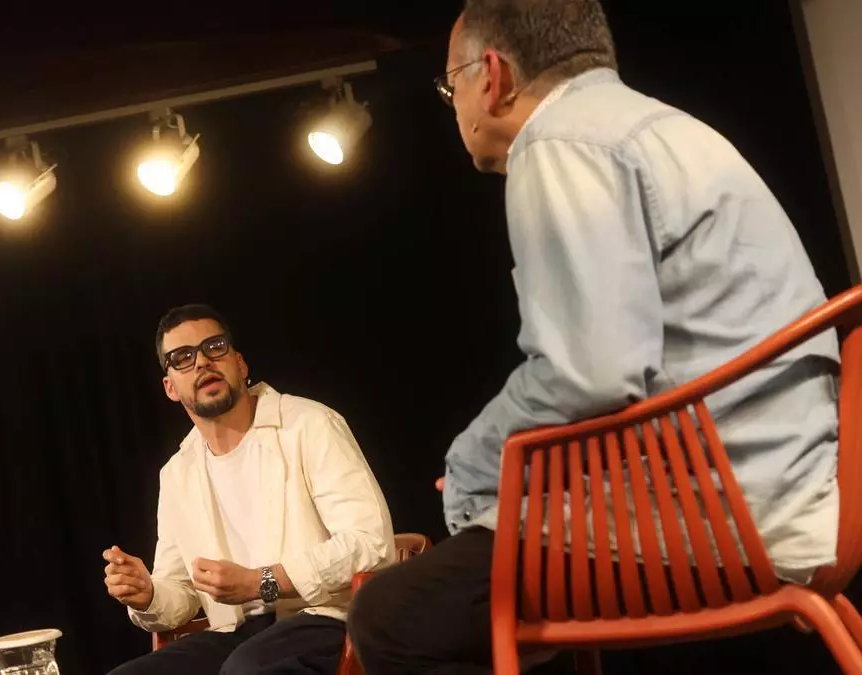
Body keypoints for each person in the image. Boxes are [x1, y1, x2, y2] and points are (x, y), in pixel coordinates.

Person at [347, 0, 841, 673]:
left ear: (493, 76)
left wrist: (471, 463)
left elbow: (592, 374)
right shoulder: (665, 128)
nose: (453, 106)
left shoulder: (560, 142)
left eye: (449, 84)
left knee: (392, 613)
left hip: (729, 522)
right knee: (484, 579)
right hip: (801, 500)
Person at [104, 304, 396, 675]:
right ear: (170, 388)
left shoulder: (309, 424)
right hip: (236, 633)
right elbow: (182, 590)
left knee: (245, 669)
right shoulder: (178, 473)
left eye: (214, 347)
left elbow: (371, 543)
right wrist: (147, 594)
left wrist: (263, 582)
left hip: (324, 617)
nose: (202, 362)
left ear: (240, 364)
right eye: (182, 358)